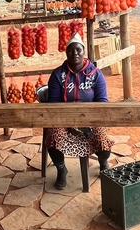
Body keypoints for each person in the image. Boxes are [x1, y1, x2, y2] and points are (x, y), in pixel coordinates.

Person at [45, 32, 114, 189]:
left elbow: (102, 102)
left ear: (83, 52)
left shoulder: (96, 75)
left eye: (78, 50)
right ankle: (61, 170)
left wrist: (87, 124)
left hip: (91, 119)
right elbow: (54, 105)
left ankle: (103, 161)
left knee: (101, 138)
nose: (74, 53)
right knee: (53, 135)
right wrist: (70, 124)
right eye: (70, 50)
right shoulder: (57, 75)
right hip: (64, 119)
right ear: (66, 52)